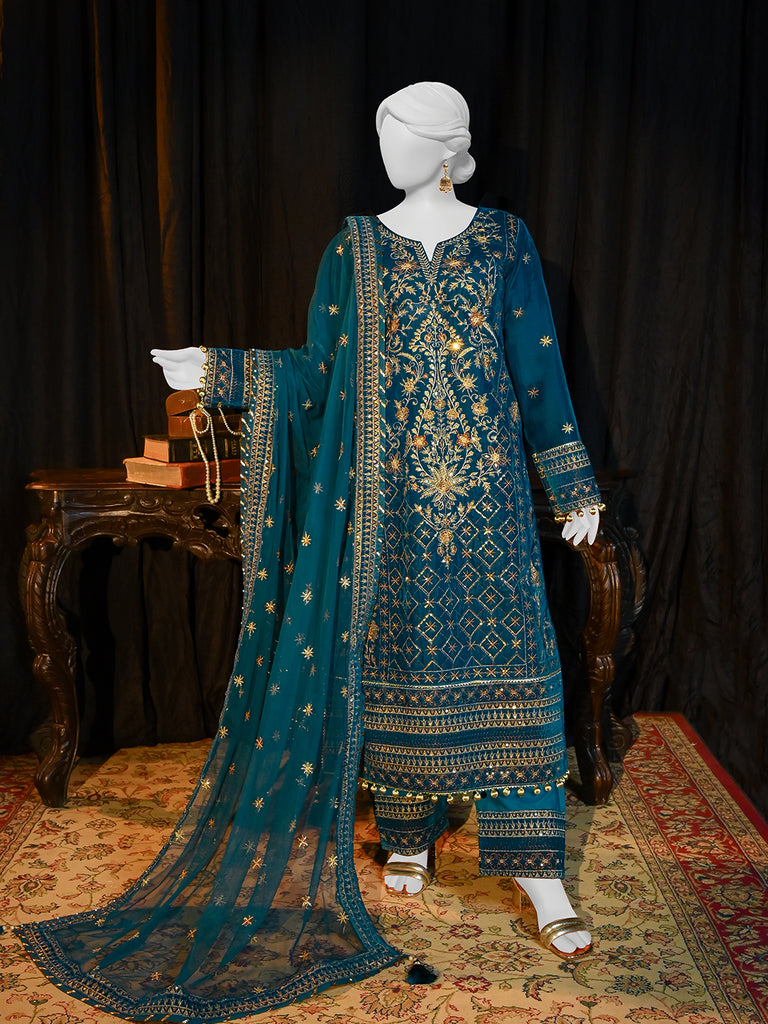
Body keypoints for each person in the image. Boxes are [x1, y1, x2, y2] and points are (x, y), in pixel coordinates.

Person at [19, 83, 601, 1020]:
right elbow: (317, 373)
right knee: (398, 660)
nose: (388, 154)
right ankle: (408, 833)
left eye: (402, 138)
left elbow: (538, 369)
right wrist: (219, 370)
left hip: (486, 504)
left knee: (513, 666)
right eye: (382, 137)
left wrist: (574, 487)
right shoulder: (353, 250)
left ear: (445, 148)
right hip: (385, 509)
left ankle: (539, 875)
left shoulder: (504, 241)